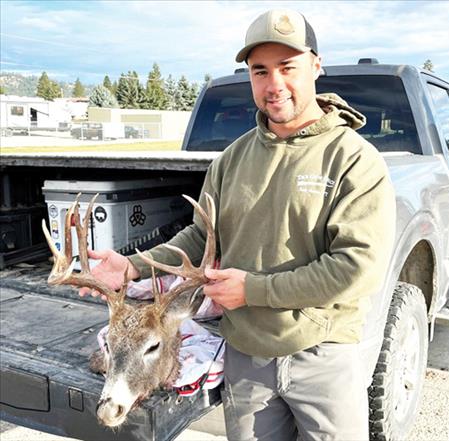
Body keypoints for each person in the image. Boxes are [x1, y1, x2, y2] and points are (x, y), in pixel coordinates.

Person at [80, 8, 396, 441]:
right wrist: (134, 266)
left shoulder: (353, 160)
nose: (274, 84)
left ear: (316, 66)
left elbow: (357, 268)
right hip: (246, 357)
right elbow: (200, 236)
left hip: (321, 353)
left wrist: (253, 290)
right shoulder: (232, 159)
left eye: (288, 67)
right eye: (260, 71)